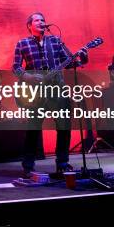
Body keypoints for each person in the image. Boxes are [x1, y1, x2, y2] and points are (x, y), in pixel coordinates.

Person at [12, 12, 88, 177]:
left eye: (43, 20)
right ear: (29, 25)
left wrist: (82, 58)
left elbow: (70, 63)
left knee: (64, 127)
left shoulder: (55, 41)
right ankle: (28, 166)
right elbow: (16, 68)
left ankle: (62, 163)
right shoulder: (22, 43)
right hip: (36, 92)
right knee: (33, 129)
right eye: (37, 20)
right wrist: (29, 77)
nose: (41, 22)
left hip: (57, 89)